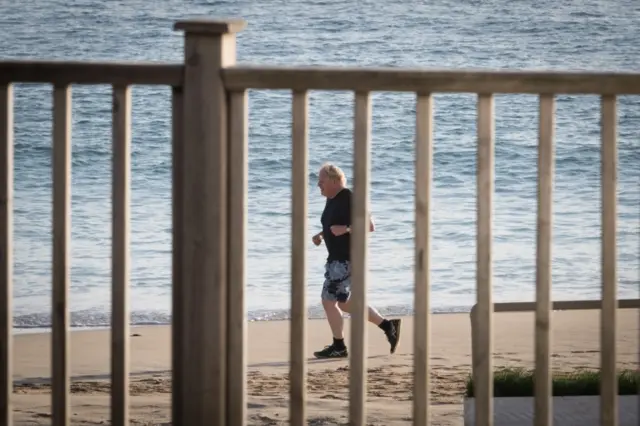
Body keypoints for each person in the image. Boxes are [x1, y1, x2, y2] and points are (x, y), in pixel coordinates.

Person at [311, 162, 401, 359]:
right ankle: (387, 325)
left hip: (347, 260)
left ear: (334, 180)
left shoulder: (350, 197)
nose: (318, 184)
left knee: (328, 301)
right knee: (342, 303)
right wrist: (322, 234)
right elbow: (336, 224)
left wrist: (346, 229)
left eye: (322, 180)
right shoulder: (331, 199)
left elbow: (369, 225)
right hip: (336, 260)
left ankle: (339, 346)